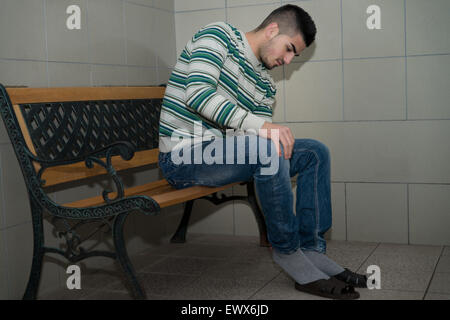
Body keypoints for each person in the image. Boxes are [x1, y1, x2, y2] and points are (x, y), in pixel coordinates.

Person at [158, 4, 367, 299]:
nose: (288, 60)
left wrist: (263, 131)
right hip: (182, 156)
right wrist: (264, 128)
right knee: (265, 147)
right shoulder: (217, 36)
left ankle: (312, 249)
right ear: (272, 30)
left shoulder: (266, 84)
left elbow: (248, 134)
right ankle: (287, 252)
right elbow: (198, 94)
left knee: (314, 153)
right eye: (290, 48)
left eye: (295, 55)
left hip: (221, 154)